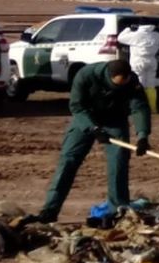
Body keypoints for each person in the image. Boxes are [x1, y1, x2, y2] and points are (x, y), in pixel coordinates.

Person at [31, 58, 151, 223]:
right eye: (117, 85)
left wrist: (142, 135)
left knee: (118, 162)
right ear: (109, 77)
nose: (121, 87)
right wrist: (92, 128)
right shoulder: (85, 75)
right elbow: (77, 107)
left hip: (115, 121)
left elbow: (139, 107)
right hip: (86, 119)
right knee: (68, 160)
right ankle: (50, 209)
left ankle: (118, 210)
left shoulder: (132, 81)